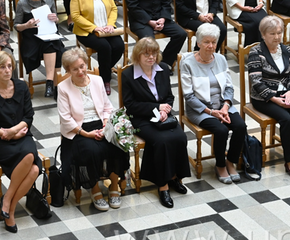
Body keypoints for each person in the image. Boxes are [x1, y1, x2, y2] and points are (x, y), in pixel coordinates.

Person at [121, 38, 191, 207]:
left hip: (163, 116)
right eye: (146, 54)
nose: (151, 57)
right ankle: (163, 185)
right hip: (141, 118)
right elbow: (130, 105)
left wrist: (165, 110)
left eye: (154, 53)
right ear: (138, 55)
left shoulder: (164, 69)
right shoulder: (128, 74)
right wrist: (156, 107)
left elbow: (169, 96)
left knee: (180, 137)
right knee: (161, 141)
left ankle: (174, 177)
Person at [57, 48, 129, 211]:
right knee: (91, 151)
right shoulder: (63, 87)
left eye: (82, 66)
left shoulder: (97, 80)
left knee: (117, 144)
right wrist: (86, 134)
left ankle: (114, 186)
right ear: (68, 70)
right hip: (79, 129)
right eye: (75, 69)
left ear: (86, 64)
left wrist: (105, 125)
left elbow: (107, 107)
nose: (80, 71)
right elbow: (65, 118)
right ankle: (95, 190)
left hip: (100, 123)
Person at [0, 52, 42, 231]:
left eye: (9, 66)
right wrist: (9, 134)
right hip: (0, 141)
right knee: (32, 165)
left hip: (21, 135)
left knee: (32, 161)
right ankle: (8, 206)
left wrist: (14, 131)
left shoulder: (21, 86)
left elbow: (28, 116)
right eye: (2, 67)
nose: (7, 70)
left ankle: (9, 204)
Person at [247, 16, 290, 180]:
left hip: (286, 93)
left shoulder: (287, 50)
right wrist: (273, 98)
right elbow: (256, 81)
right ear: (263, 35)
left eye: (279, 33)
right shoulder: (256, 52)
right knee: (287, 120)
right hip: (264, 98)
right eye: (272, 34)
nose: (277, 37)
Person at [181, 24, 246, 184]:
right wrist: (211, 112)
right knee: (221, 130)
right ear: (198, 43)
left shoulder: (221, 59)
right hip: (200, 109)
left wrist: (225, 107)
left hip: (222, 106)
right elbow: (188, 96)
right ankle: (220, 165)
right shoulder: (187, 63)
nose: (211, 46)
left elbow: (229, 87)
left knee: (240, 126)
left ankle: (230, 161)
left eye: (214, 42)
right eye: (206, 42)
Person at [71, 0, 124, 95]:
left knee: (119, 46)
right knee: (105, 47)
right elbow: (75, 16)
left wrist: (110, 24)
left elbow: (113, 8)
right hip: (86, 31)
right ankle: (105, 80)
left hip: (106, 28)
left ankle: (102, 70)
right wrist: (94, 27)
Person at [14, 0, 63, 98]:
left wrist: (55, 19)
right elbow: (16, 26)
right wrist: (26, 25)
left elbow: (56, 20)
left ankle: (51, 83)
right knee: (51, 46)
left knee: (52, 44)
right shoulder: (22, 3)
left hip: (48, 33)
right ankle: (55, 86)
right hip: (32, 37)